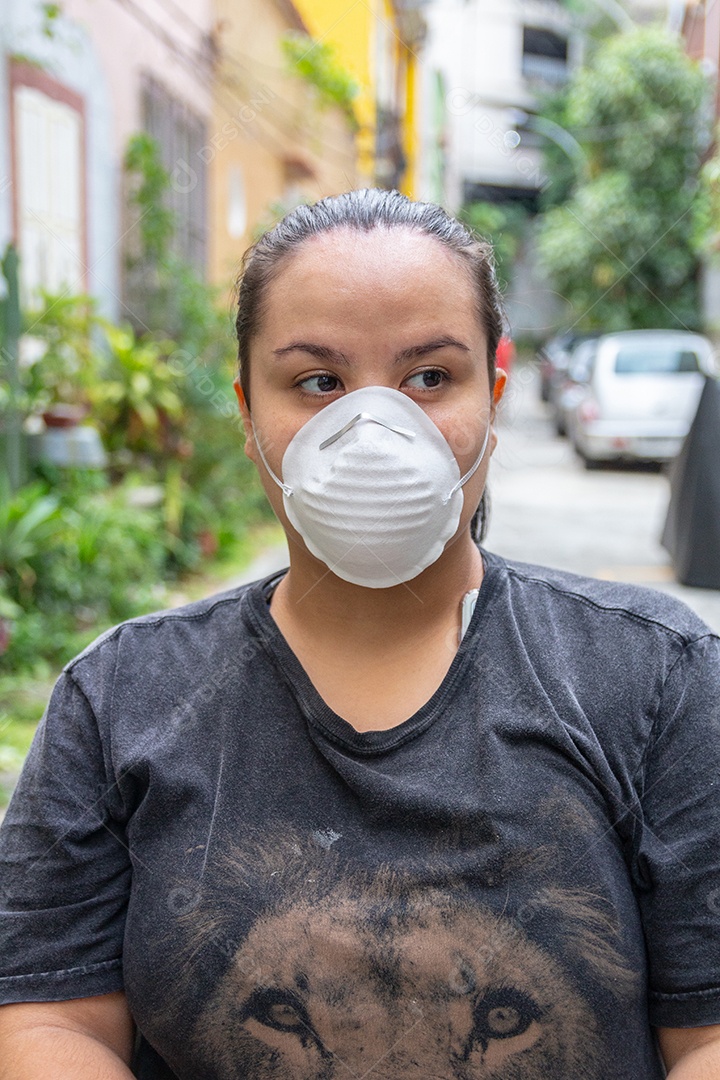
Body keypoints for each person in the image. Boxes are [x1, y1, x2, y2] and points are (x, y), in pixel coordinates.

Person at [1, 189, 719, 1079]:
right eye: (317, 382)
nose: (375, 433)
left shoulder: (653, 678)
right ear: (247, 411)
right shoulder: (117, 703)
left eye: (429, 378)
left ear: (492, 402)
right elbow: (51, 1021)